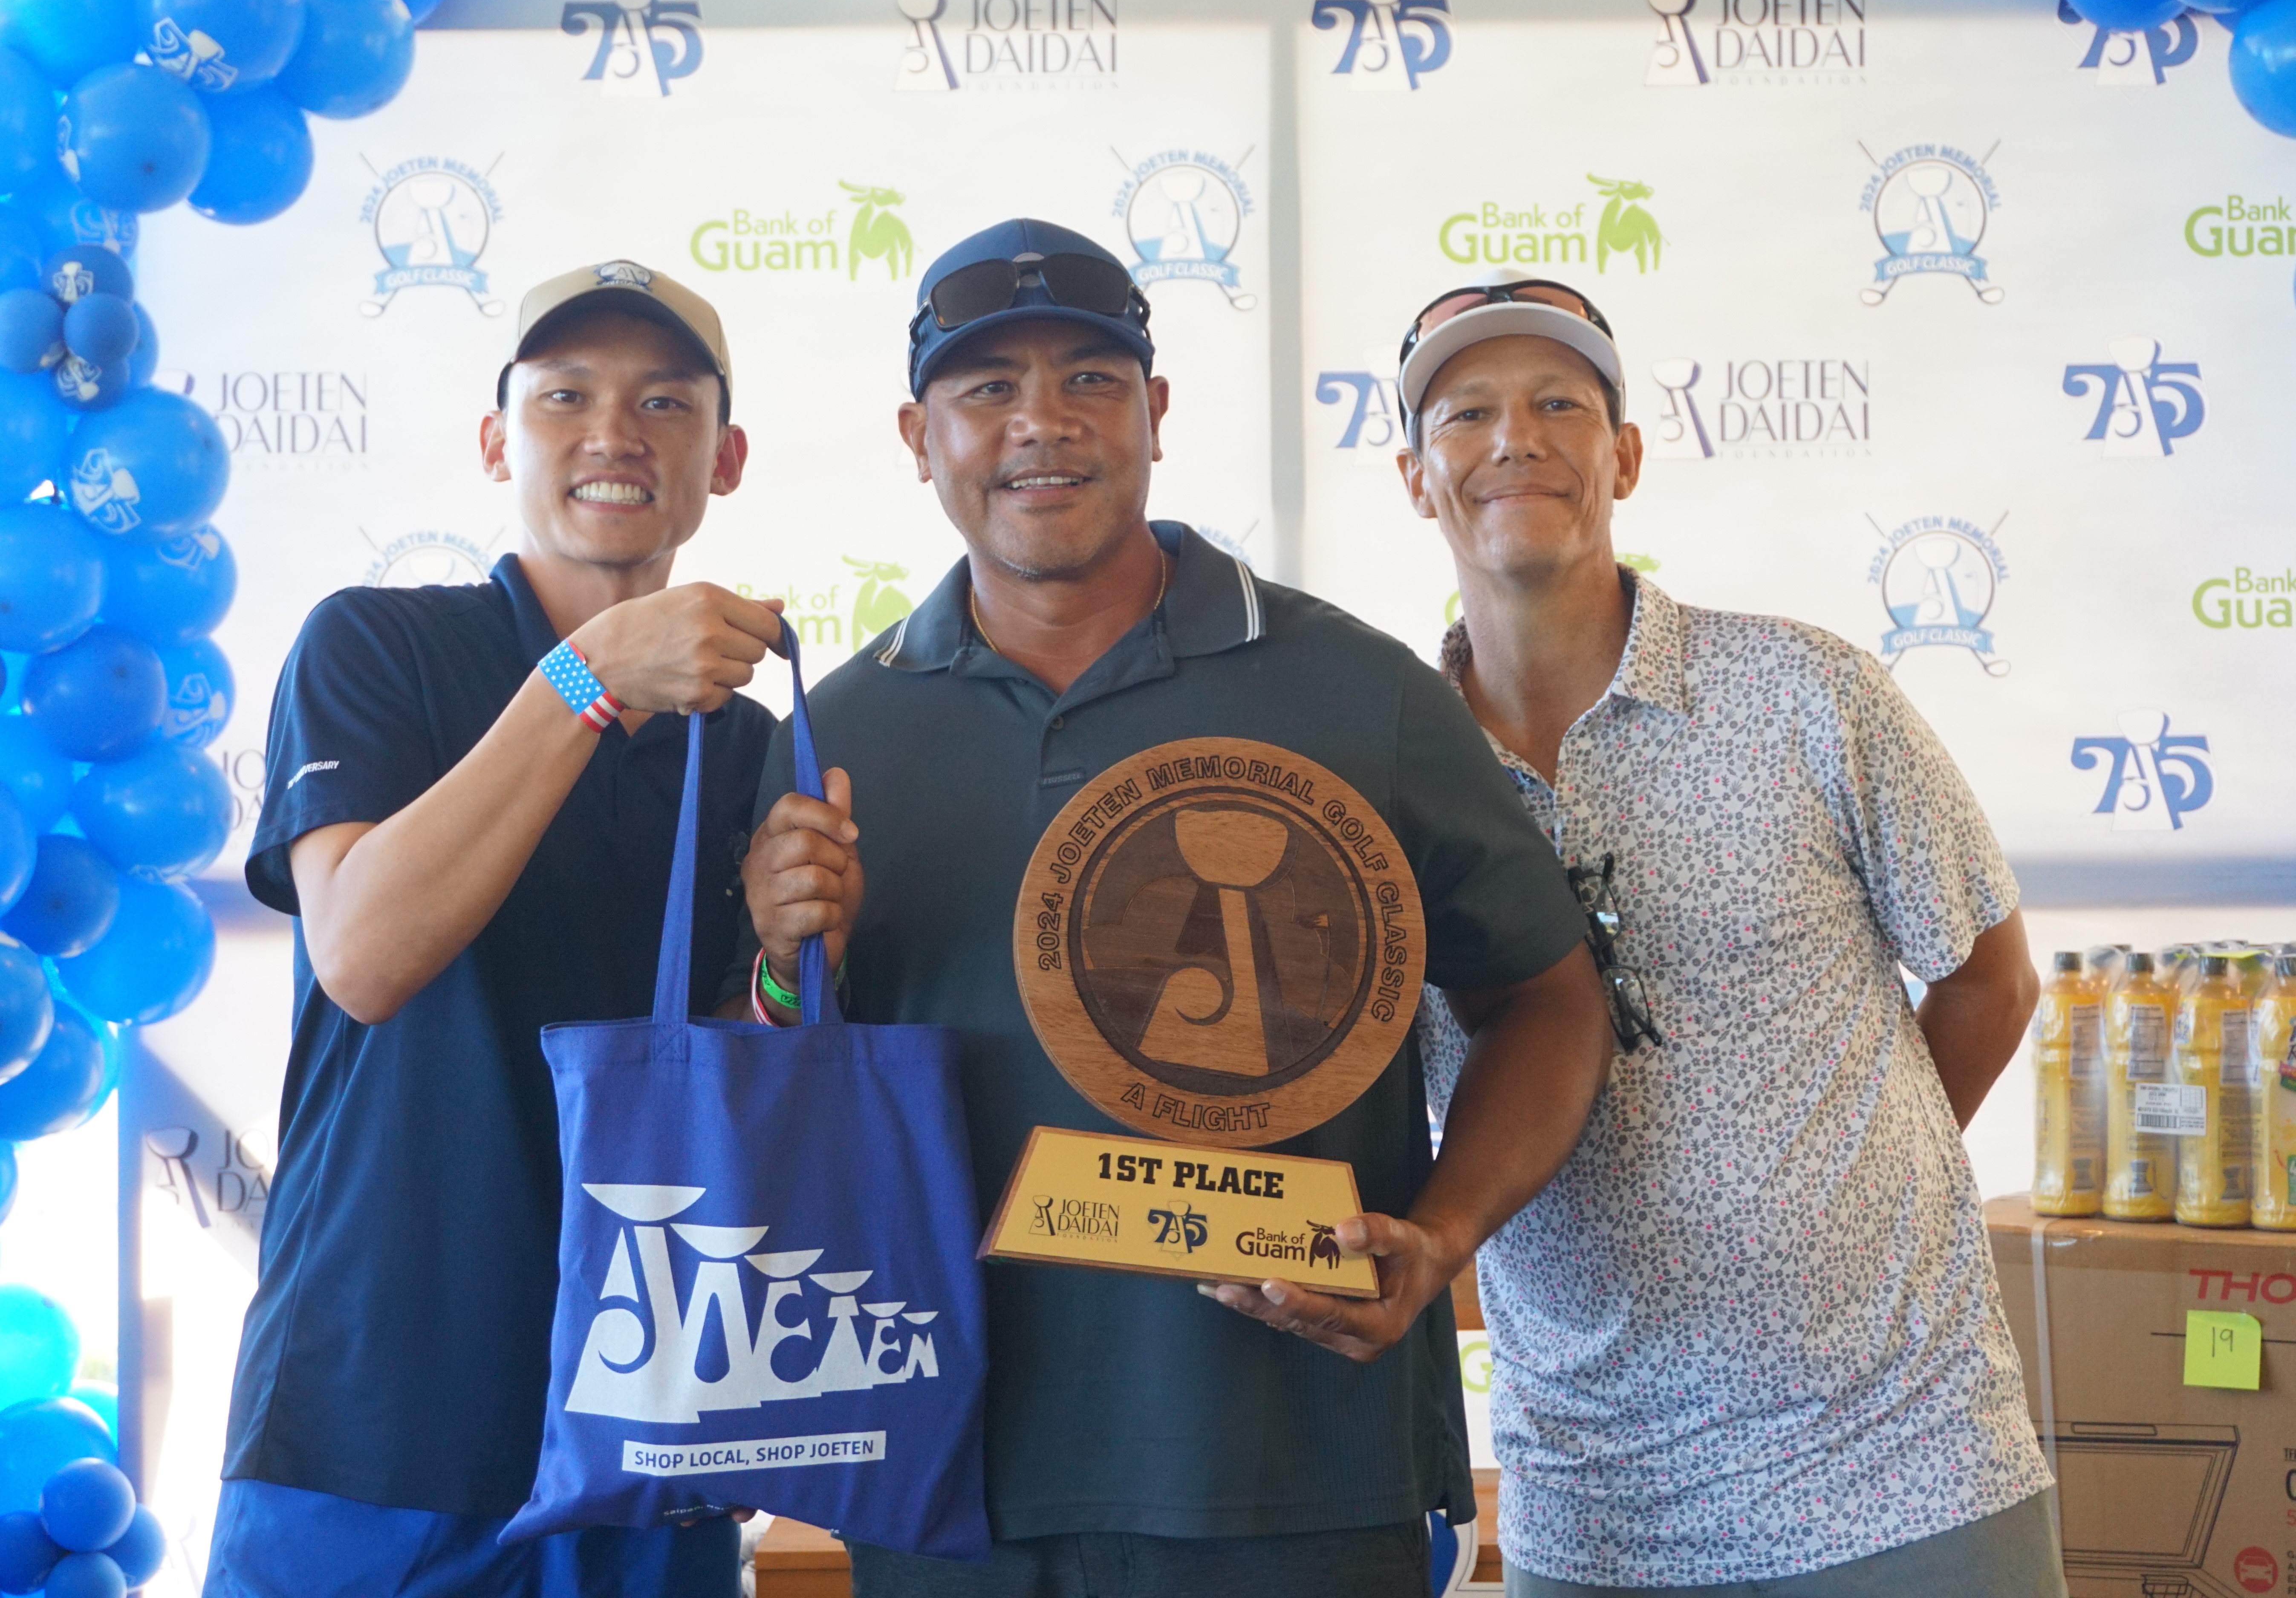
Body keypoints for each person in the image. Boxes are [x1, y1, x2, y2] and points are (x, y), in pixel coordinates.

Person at [729, 219, 1615, 1598]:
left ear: (1155, 412)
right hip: (947, 1480)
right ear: (919, 435)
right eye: (986, 391)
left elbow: (1549, 1001)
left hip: (1296, 1471)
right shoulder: (831, 738)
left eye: (1089, 379)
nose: (1042, 426)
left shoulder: (1354, 690)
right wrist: (786, 970)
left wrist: (1438, 1239)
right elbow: (770, 1090)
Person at [1392, 278, 2059, 1597]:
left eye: (1559, 404)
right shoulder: (1383, 769)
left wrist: (1851, 1186)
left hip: (1908, 1466)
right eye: (1465, 412)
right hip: (1596, 1509)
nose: (1513, 437)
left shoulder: (1806, 693)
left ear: (1623, 455)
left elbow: (1988, 976)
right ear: (1417, 479)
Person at [208, 262, 783, 1598]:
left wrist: (780, 962)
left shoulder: (754, 741)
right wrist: (586, 680)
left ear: (726, 455)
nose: (613, 434)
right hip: (372, 1420)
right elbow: (363, 958)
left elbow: (746, 1082)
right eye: (564, 397)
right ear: (496, 439)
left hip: (650, 1420)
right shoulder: (378, 648)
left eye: (664, 403)